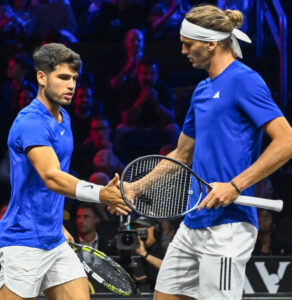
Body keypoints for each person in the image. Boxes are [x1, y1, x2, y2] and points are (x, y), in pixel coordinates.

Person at [121, 4, 292, 300]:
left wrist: (235, 185)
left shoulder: (244, 80)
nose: (184, 51)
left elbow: (286, 141)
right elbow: (182, 154)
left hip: (229, 226)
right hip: (193, 222)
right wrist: (136, 187)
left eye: (188, 44)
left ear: (211, 43)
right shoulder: (201, 91)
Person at [0, 43, 130, 300]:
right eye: (63, 77)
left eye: (74, 79)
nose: (71, 85)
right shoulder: (31, 122)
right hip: (23, 240)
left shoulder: (63, 119)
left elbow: (51, 186)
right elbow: (52, 177)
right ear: (42, 77)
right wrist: (101, 193)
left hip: (55, 239)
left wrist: (57, 224)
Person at [132, 217, 167, 291]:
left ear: (155, 230)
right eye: (137, 228)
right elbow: (155, 276)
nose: (140, 232)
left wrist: (144, 254)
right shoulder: (145, 249)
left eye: (143, 228)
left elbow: (169, 268)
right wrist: (139, 281)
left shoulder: (166, 246)